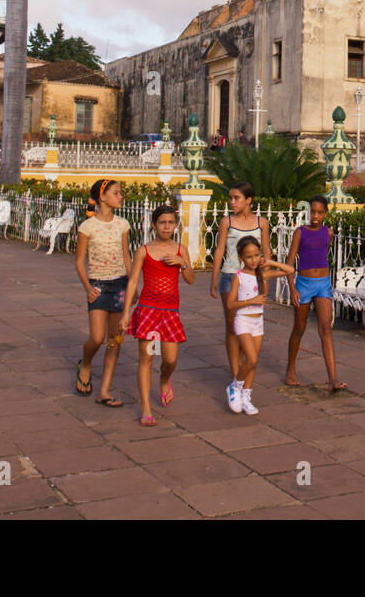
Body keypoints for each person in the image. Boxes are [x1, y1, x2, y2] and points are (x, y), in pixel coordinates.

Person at [122, 206, 194, 426]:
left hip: (170, 312)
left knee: (170, 360)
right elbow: (133, 280)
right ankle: (145, 407)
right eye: (162, 222)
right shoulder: (144, 250)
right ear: (154, 224)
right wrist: (126, 313)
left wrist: (183, 264)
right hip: (148, 311)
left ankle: (164, 380)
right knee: (146, 359)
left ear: (175, 225)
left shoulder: (180, 249)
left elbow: (190, 279)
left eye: (171, 222)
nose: (166, 226)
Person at [210, 183, 270, 413]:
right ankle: (236, 373)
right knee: (232, 326)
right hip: (229, 277)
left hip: (253, 280)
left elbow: (266, 252)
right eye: (231, 198)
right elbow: (219, 250)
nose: (232, 202)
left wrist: (265, 280)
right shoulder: (227, 221)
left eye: (236, 198)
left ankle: (243, 373)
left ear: (248, 200)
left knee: (250, 327)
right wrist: (214, 278)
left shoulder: (260, 223)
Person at [75, 179, 131, 407]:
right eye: (116, 193)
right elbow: (80, 262)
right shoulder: (87, 227)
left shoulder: (123, 224)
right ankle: (86, 364)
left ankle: (104, 391)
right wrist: (88, 287)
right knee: (97, 338)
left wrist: (132, 284)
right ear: (102, 197)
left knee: (114, 340)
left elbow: (126, 255)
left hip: (120, 285)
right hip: (98, 285)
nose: (120, 197)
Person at [227, 236, 296, 415]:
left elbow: (290, 270)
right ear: (241, 257)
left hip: (258, 322)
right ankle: (235, 386)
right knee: (252, 359)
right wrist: (251, 300)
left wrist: (270, 261)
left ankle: (246, 397)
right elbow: (230, 304)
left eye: (257, 255)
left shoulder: (262, 274)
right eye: (249, 256)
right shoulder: (239, 277)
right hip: (243, 320)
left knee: (253, 364)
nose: (254, 260)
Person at [284, 196, 345, 391]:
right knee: (299, 328)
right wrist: (292, 288)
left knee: (325, 328)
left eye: (319, 212)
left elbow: (323, 253)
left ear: (326, 213)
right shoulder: (300, 233)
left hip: (323, 285)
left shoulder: (328, 232)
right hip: (303, 284)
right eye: (312, 212)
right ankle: (290, 368)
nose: (315, 216)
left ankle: (333, 378)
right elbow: (289, 262)